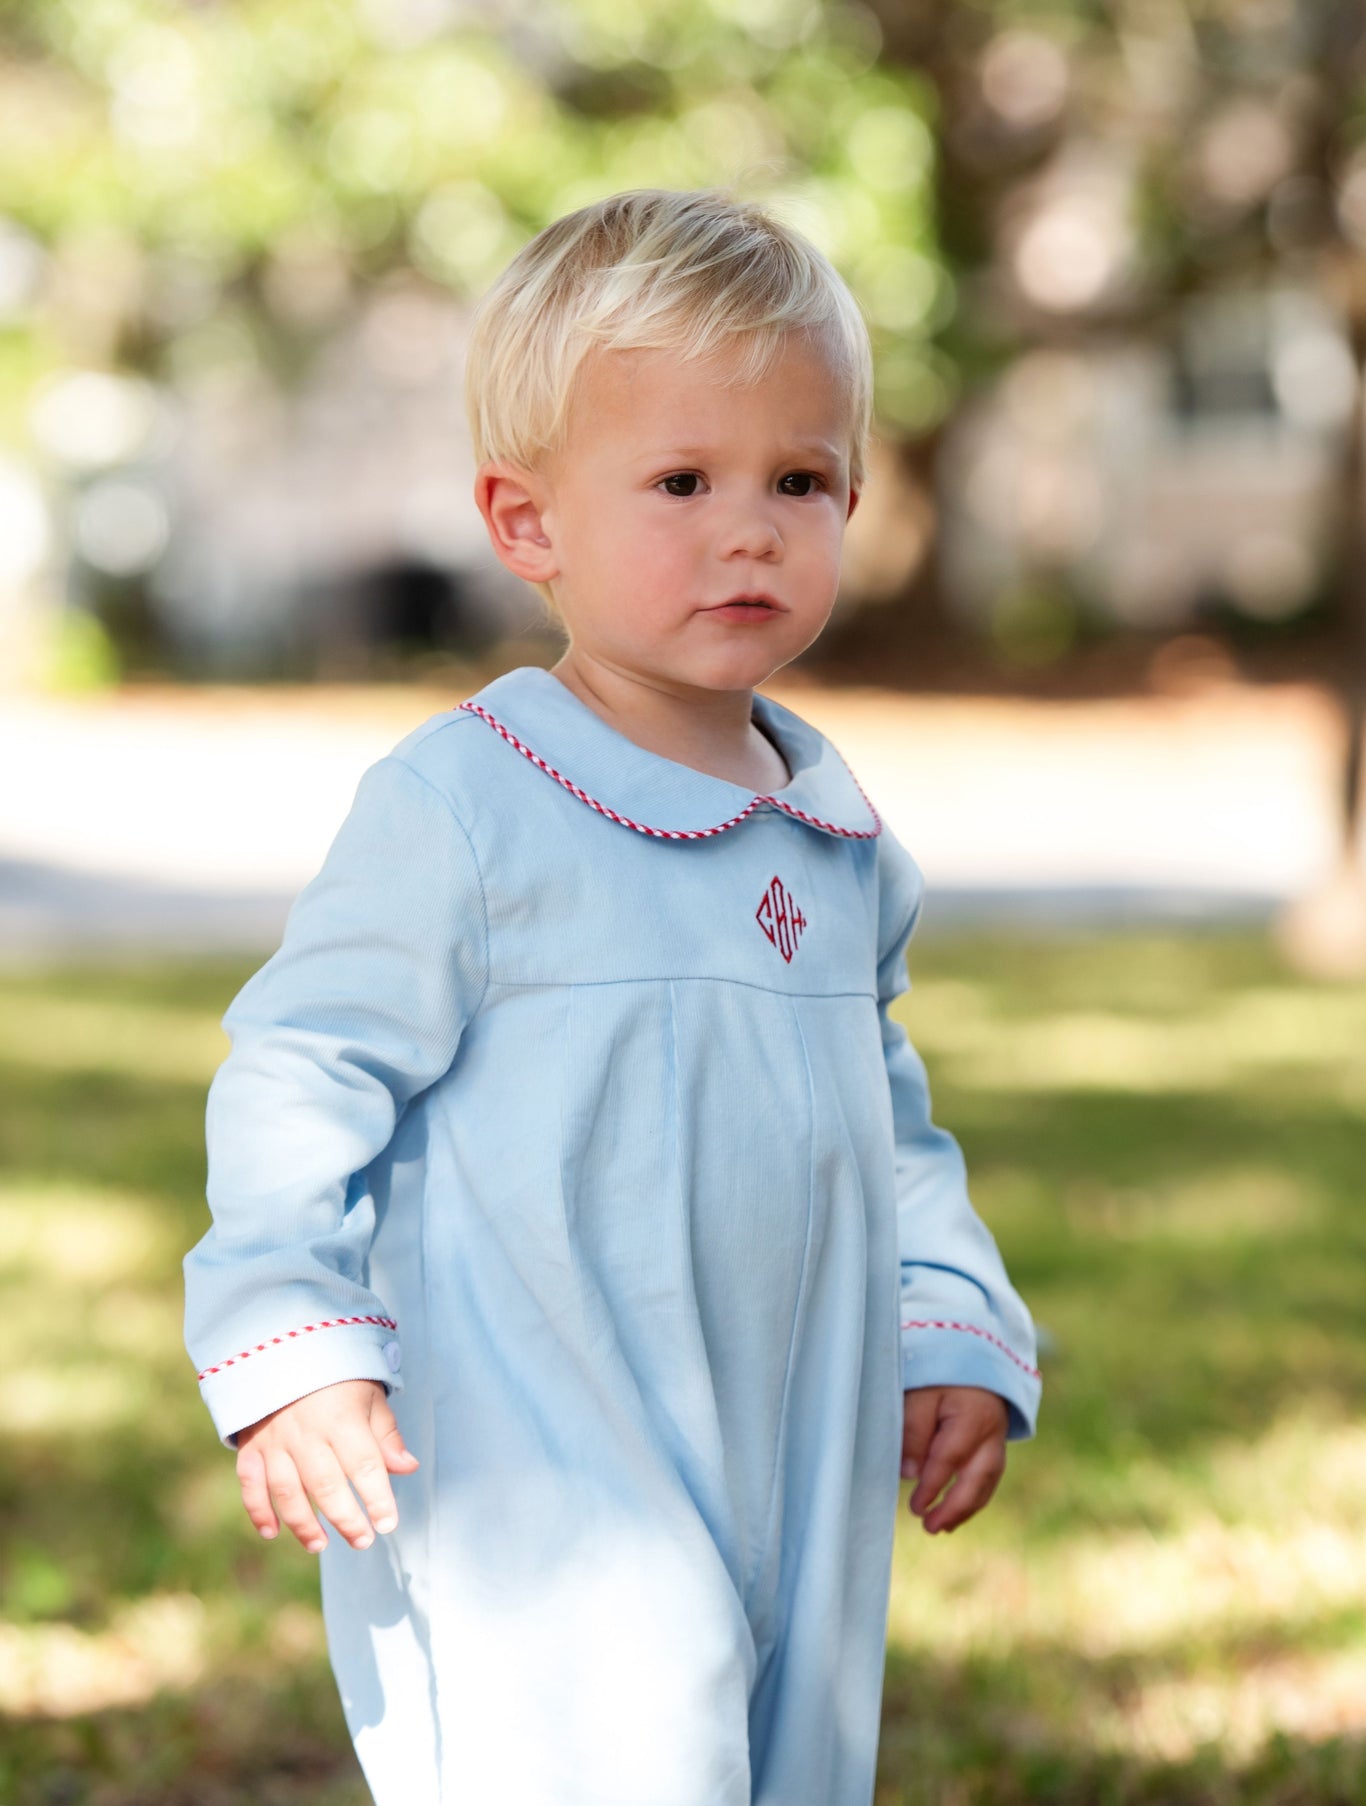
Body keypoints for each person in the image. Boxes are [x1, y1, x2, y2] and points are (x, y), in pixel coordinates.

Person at [182, 185, 1043, 1806]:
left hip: (793, 1435)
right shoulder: (465, 805)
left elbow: (887, 1112)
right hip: (541, 1457)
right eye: (681, 481)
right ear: (528, 526)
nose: (751, 527)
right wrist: (291, 1339)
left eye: (800, 479)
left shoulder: (838, 833)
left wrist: (949, 1317)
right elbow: (301, 1066)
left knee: (785, 1762)